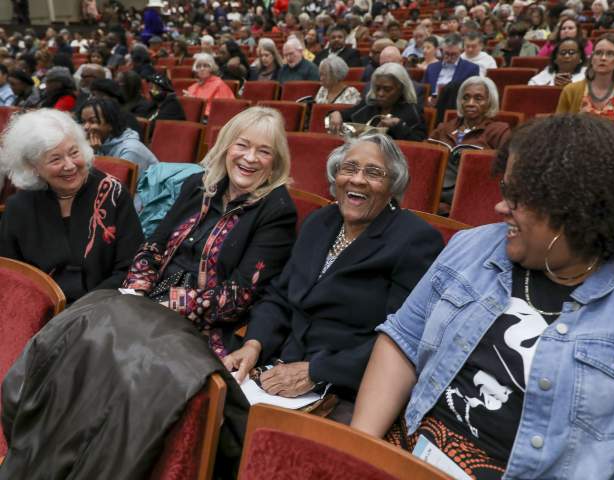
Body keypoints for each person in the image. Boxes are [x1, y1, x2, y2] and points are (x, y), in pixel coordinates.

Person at [352, 114, 614, 479]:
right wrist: (360, 453)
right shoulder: (473, 245)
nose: (500, 206)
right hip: (411, 455)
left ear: (576, 210)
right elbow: (403, 343)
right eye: (504, 189)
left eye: (517, 198)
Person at [223, 133, 444, 422]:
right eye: (349, 169)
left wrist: (316, 372)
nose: (358, 180)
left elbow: (403, 340)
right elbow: (280, 295)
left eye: (374, 173)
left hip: (345, 387)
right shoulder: (320, 221)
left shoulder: (415, 240)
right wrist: (254, 344)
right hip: (277, 367)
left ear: (393, 186)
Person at [122, 107, 297, 356]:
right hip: (152, 296)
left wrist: (164, 305)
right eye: (243, 145)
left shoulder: (277, 209)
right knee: (91, 323)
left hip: (206, 322)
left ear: (276, 161)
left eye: (264, 151)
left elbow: (238, 296)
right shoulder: (199, 184)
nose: (250, 158)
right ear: (227, 146)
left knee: (125, 350)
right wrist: (137, 291)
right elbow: (155, 243)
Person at [0, 109, 143, 303]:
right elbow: (10, 274)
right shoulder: (19, 207)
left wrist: (83, 309)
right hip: (39, 310)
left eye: (74, 152)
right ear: (33, 167)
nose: (69, 165)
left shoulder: (113, 195)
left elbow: (131, 268)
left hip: (103, 308)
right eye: (55, 159)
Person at [429, 76, 510, 203]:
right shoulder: (444, 127)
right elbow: (423, 158)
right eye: (466, 98)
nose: (470, 103)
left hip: (474, 196)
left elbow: (505, 170)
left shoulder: (499, 131)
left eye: (478, 98)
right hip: (436, 192)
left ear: (490, 101)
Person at [328, 63, 426, 141]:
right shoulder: (369, 105)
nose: (380, 93)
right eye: (377, 88)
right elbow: (346, 114)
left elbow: (420, 143)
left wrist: (398, 125)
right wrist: (336, 113)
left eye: (387, 89)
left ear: (400, 88)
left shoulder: (413, 111)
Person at [557, 34, 614, 126]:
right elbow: (560, 128)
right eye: (598, 53)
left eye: (610, 54)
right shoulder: (570, 90)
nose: (603, 58)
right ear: (592, 59)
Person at [79, 97, 159, 173]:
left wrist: (94, 155)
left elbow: (113, 185)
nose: (85, 127)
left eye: (93, 121)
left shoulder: (130, 151)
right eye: (83, 121)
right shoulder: (100, 144)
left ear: (110, 124)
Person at [184, 52, 235, 118]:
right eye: (198, 66)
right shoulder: (192, 87)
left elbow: (220, 109)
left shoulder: (219, 84)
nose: (202, 69)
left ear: (211, 68)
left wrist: (196, 102)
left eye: (205, 66)